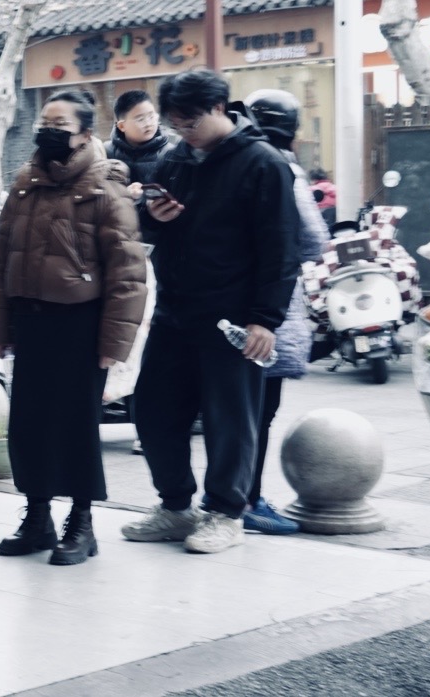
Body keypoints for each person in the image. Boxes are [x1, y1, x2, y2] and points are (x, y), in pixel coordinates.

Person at [123, 69, 301, 554]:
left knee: (229, 421)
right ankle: (175, 507)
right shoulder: (174, 158)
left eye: (191, 123)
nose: (184, 133)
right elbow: (148, 226)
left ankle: (225, 513)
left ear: (220, 108)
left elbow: (281, 249)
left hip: (234, 319)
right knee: (152, 410)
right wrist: (151, 217)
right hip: (175, 309)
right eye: (176, 124)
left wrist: (265, 319)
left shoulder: (263, 163)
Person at [0, 91, 147, 566]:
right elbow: (0, 259)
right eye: (44, 122)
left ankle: (82, 523)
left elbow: (128, 275)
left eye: (59, 125)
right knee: (29, 425)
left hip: (81, 325)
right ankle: (38, 518)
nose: (47, 131)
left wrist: (114, 343)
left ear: (84, 135)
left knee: (75, 428)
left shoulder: (105, 189)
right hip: (31, 320)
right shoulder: (25, 184)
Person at [244, 89, 332, 535]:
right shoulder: (283, 168)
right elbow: (314, 241)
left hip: (218, 307)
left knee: (230, 411)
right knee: (260, 412)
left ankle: (218, 496)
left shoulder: (221, 161)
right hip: (268, 309)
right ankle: (247, 499)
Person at [108, 89, 176, 196]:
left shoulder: (170, 153)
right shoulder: (107, 152)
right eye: (140, 119)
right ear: (121, 126)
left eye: (151, 117)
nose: (148, 124)